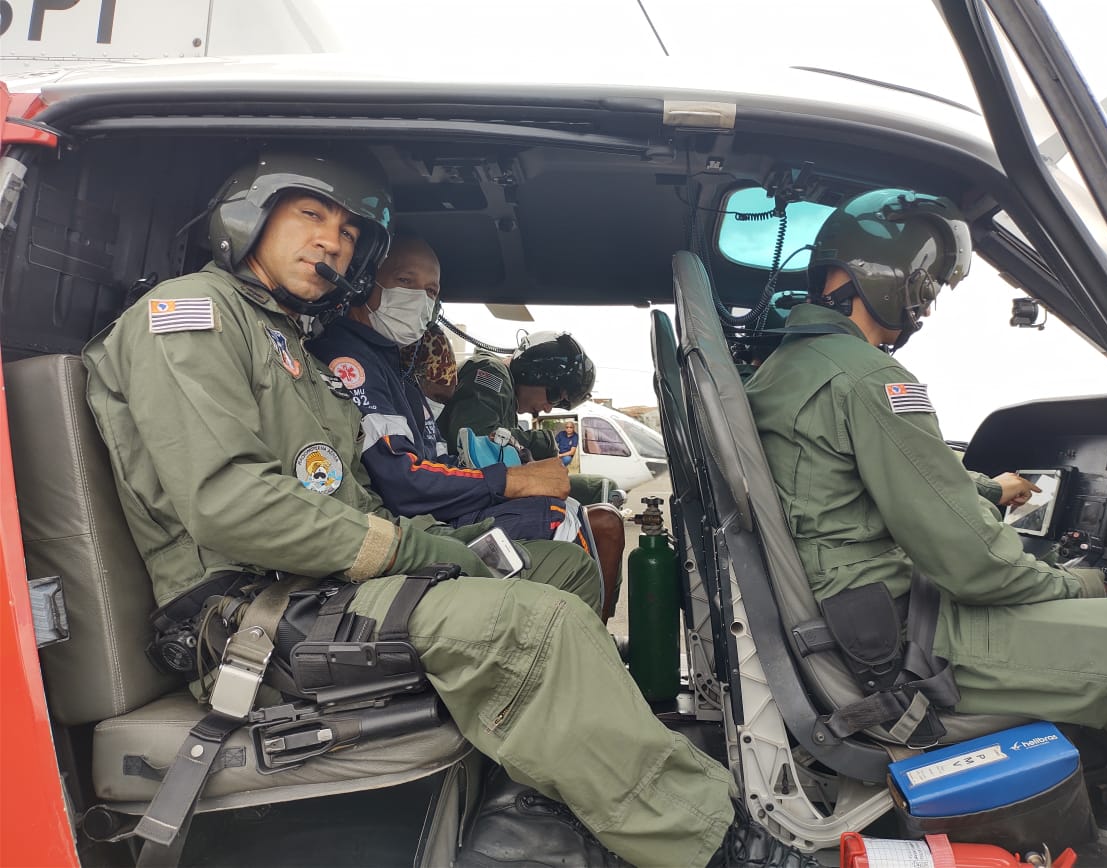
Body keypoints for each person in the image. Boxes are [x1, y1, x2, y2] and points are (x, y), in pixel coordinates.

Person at [83, 149, 791, 868]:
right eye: (310, 215)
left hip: (317, 589)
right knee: (534, 624)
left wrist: (442, 539)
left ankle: (555, 780)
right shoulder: (189, 319)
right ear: (249, 215)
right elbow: (231, 506)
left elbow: (344, 494)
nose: (332, 241)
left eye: (350, 232)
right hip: (250, 616)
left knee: (556, 571)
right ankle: (713, 842)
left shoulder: (286, 343)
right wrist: (413, 548)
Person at [746, 187, 1107, 764]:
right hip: (895, 643)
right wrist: (1080, 584)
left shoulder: (781, 371)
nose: (928, 309)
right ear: (902, 283)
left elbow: (854, 490)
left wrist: (990, 490)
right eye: (930, 290)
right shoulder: (873, 381)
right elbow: (976, 564)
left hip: (844, 619)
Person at [307, 234, 617, 612]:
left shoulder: (395, 371)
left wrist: (515, 480)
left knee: (564, 513)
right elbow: (403, 481)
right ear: (364, 281)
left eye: (431, 290)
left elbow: (441, 458)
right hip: (400, 533)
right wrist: (509, 479)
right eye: (406, 281)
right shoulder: (349, 361)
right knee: (562, 525)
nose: (420, 299)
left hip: (427, 518)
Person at [437, 332, 620, 506]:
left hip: (482, 490)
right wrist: (541, 442)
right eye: (554, 397)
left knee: (601, 488)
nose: (547, 409)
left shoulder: (505, 394)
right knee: (598, 489)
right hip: (464, 492)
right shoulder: (492, 372)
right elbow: (472, 440)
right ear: (533, 372)